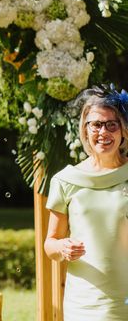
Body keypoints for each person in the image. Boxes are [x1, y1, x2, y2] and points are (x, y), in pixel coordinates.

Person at [44, 87, 128, 320]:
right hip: (83, 302)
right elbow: (50, 244)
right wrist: (63, 247)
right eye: (96, 125)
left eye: (112, 124)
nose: (104, 132)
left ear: (123, 130)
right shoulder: (65, 180)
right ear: (85, 129)